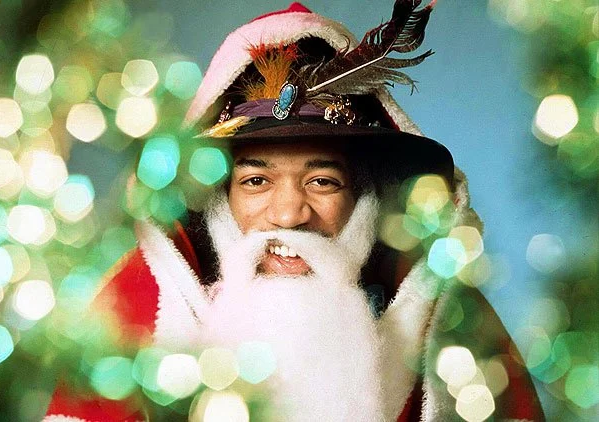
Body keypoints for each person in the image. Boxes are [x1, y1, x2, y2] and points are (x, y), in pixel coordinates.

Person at [45, 2, 544, 421]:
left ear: (363, 199)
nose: (288, 215)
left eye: (321, 181)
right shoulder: (133, 322)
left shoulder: (452, 329)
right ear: (220, 198)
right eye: (256, 181)